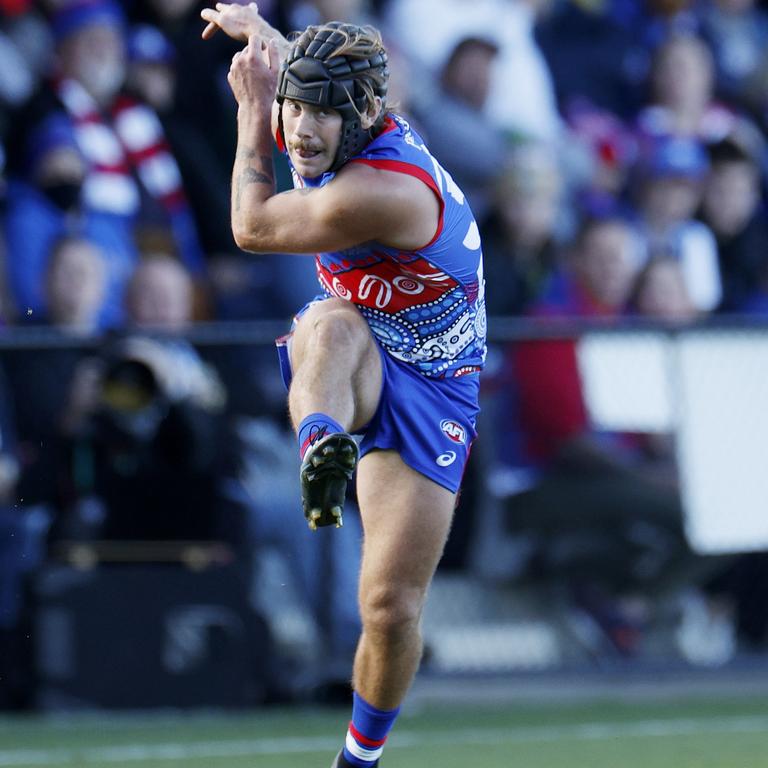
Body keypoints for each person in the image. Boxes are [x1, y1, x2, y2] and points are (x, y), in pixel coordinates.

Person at [200, 5, 486, 766]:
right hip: (363, 345)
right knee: (327, 322)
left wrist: (254, 109)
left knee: (390, 610)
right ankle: (320, 442)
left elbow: (253, 227)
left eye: (321, 113)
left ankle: (358, 760)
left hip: (436, 383)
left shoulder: (382, 188)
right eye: (295, 107)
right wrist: (257, 27)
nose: (300, 130)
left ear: (365, 112)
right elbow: (308, 68)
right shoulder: (342, 104)